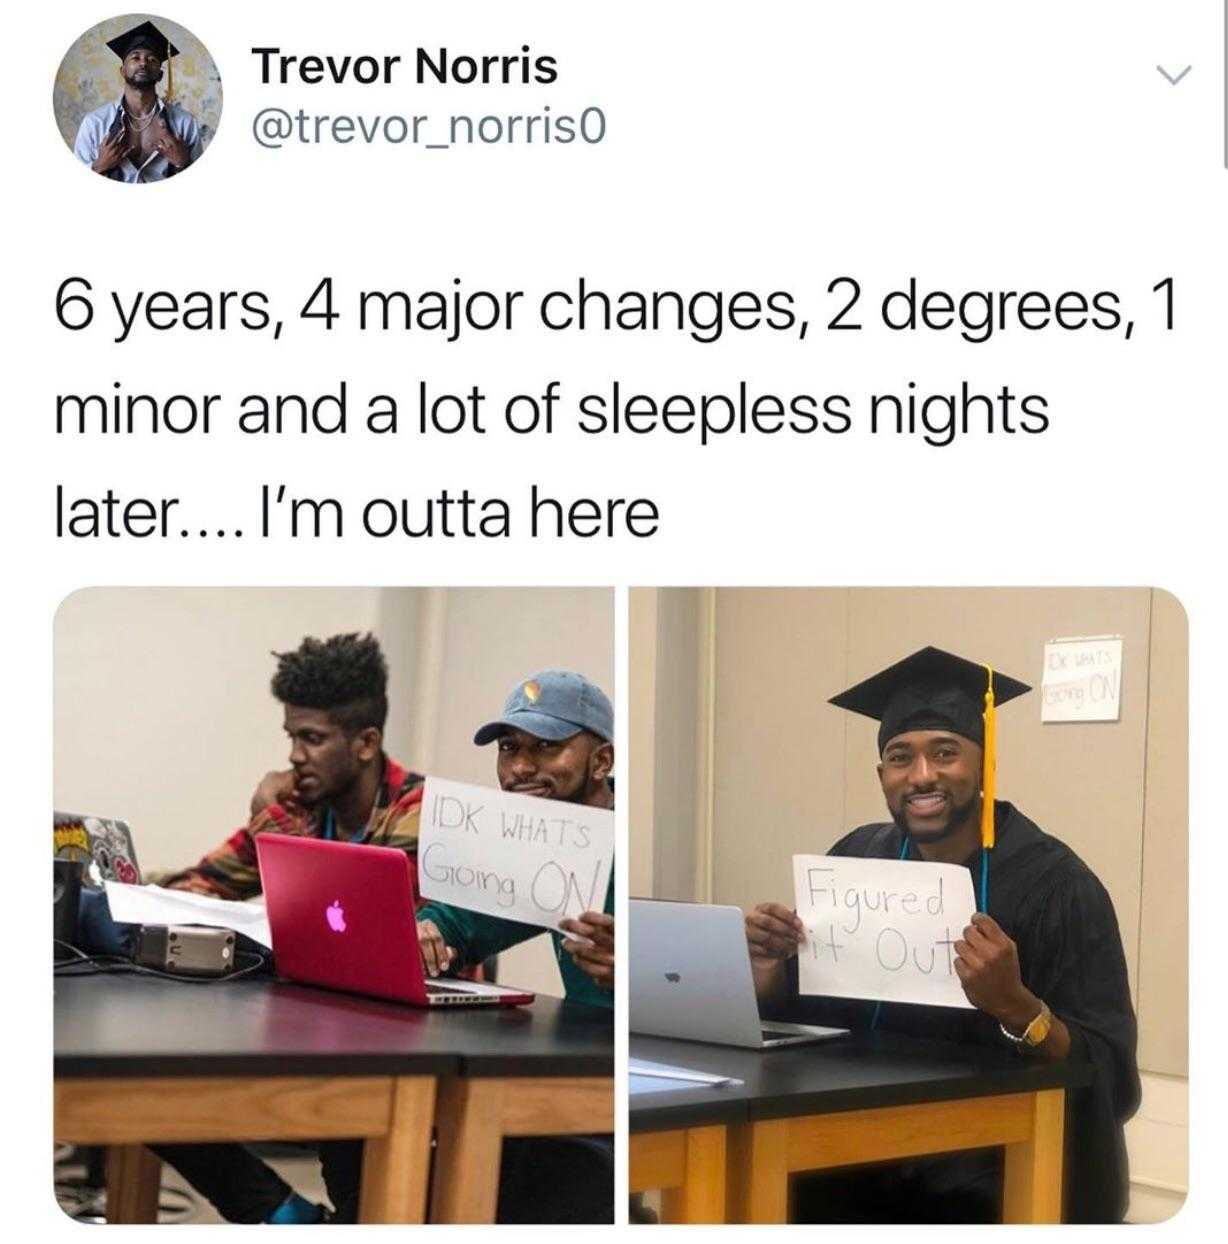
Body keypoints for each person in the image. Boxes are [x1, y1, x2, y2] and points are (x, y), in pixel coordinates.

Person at [744, 646, 1140, 1224]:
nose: (922, 775)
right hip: (855, 1151)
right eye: (900, 757)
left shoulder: (1058, 887)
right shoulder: (856, 859)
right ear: (882, 776)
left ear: (984, 766)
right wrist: (767, 972)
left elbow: (1113, 1078)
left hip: (995, 1168)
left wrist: (1018, 1008)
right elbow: (811, 1019)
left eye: (945, 753)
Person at [155, 632, 427, 1223]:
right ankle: (289, 1218)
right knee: (157, 1100)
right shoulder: (310, 807)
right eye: (291, 738)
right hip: (317, 1035)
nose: (296, 756)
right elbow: (198, 886)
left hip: (405, 1055)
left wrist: (275, 824)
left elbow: (360, 931)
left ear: (366, 743)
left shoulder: (417, 811)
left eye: (312, 738)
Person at [416, 670, 616, 1223]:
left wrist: (633, 973)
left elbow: (691, 986)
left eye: (547, 748)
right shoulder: (536, 838)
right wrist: (429, 930)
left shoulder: (637, 841)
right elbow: (458, 923)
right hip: (562, 1078)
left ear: (601, 761)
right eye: (509, 749)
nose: (520, 769)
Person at [73, 20, 203, 182]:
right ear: (122, 71)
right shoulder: (94, 123)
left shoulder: (184, 123)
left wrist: (183, 164)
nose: (143, 63)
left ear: (160, 74)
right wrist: (98, 166)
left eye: (152, 59)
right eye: (135, 58)